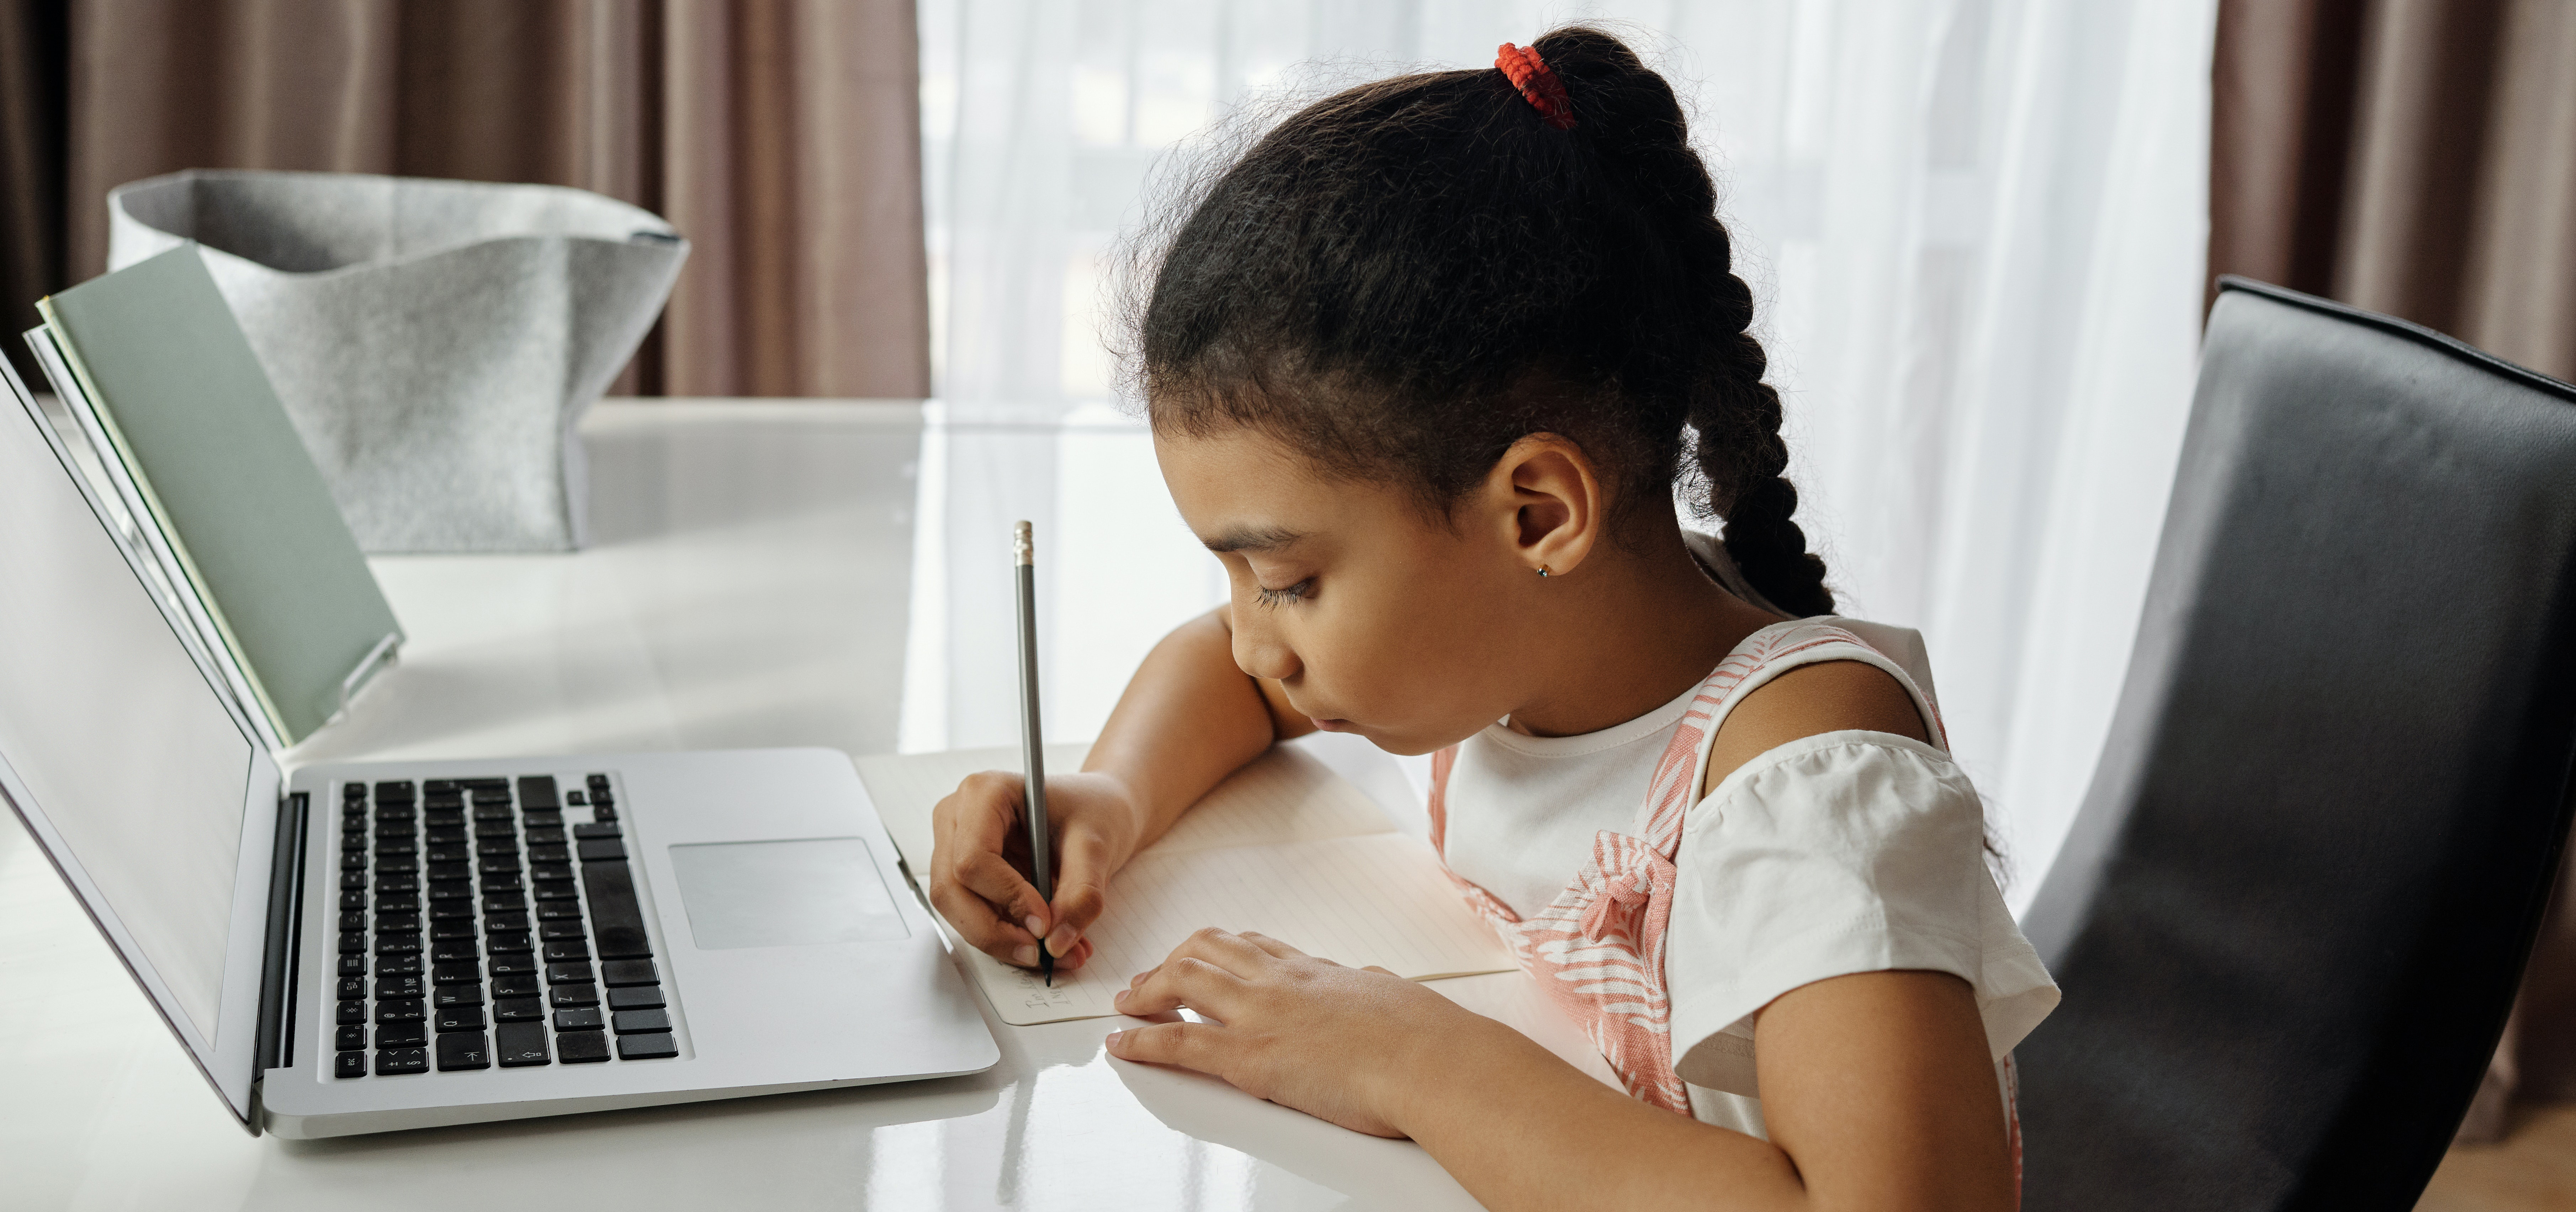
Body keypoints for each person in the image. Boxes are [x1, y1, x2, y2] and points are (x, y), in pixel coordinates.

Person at [927, 26, 2059, 1210]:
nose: (1257, 637)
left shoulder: (1806, 792)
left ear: (1535, 513)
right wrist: (1108, 800)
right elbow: (1238, 676)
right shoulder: (1527, 640)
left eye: (1289, 582)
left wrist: (1409, 1059)